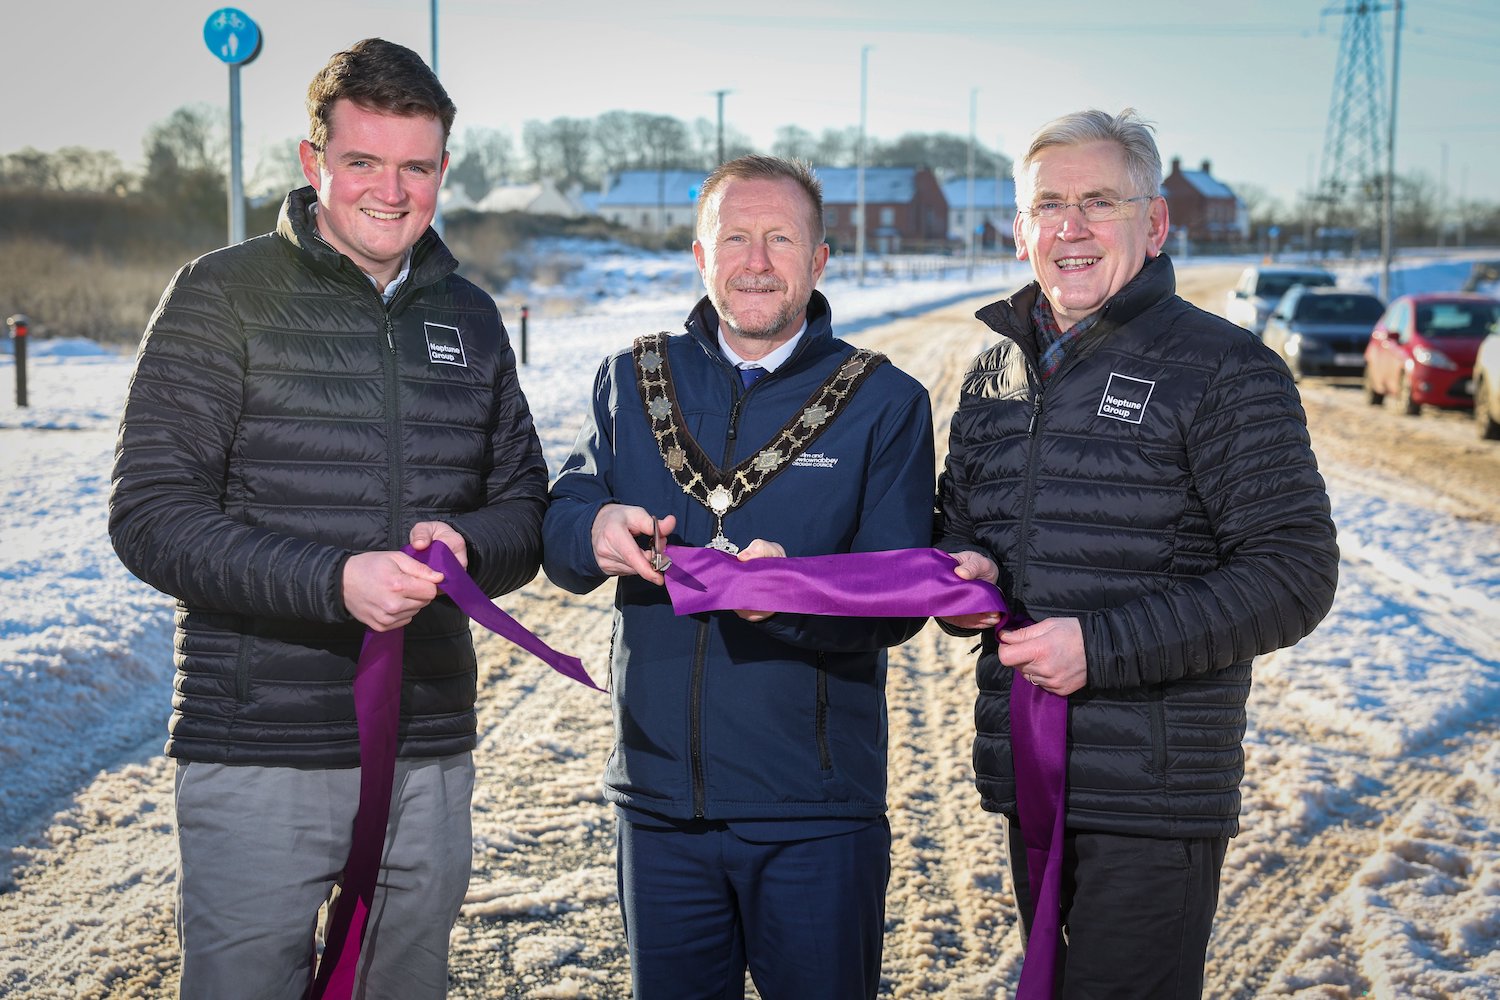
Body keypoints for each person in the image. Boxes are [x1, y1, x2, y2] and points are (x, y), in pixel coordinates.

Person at [108, 38, 547, 999]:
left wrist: (472, 545)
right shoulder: (221, 293)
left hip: (428, 748)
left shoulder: (470, 317)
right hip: (260, 747)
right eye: (363, 162)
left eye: (416, 167)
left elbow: (524, 504)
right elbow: (150, 516)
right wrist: (332, 580)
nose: (390, 192)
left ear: (441, 169)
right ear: (315, 163)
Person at [935, 108, 1339, 998]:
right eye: (1048, 206)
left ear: (1153, 224)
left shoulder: (1226, 368)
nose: (1070, 228)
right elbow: (959, 521)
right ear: (1019, 232)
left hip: (1153, 792)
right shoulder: (997, 373)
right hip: (1030, 772)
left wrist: (1103, 647)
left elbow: (1295, 571)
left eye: (1098, 202)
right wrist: (958, 572)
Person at [543, 154, 934, 998]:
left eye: (781, 238)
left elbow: (901, 592)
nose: (756, 261)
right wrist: (595, 528)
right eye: (736, 238)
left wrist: (788, 599)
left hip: (814, 816)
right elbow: (564, 522)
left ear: (821, 259)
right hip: (656, 811)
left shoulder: (884, 401)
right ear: (699, 255)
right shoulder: (631, 376)